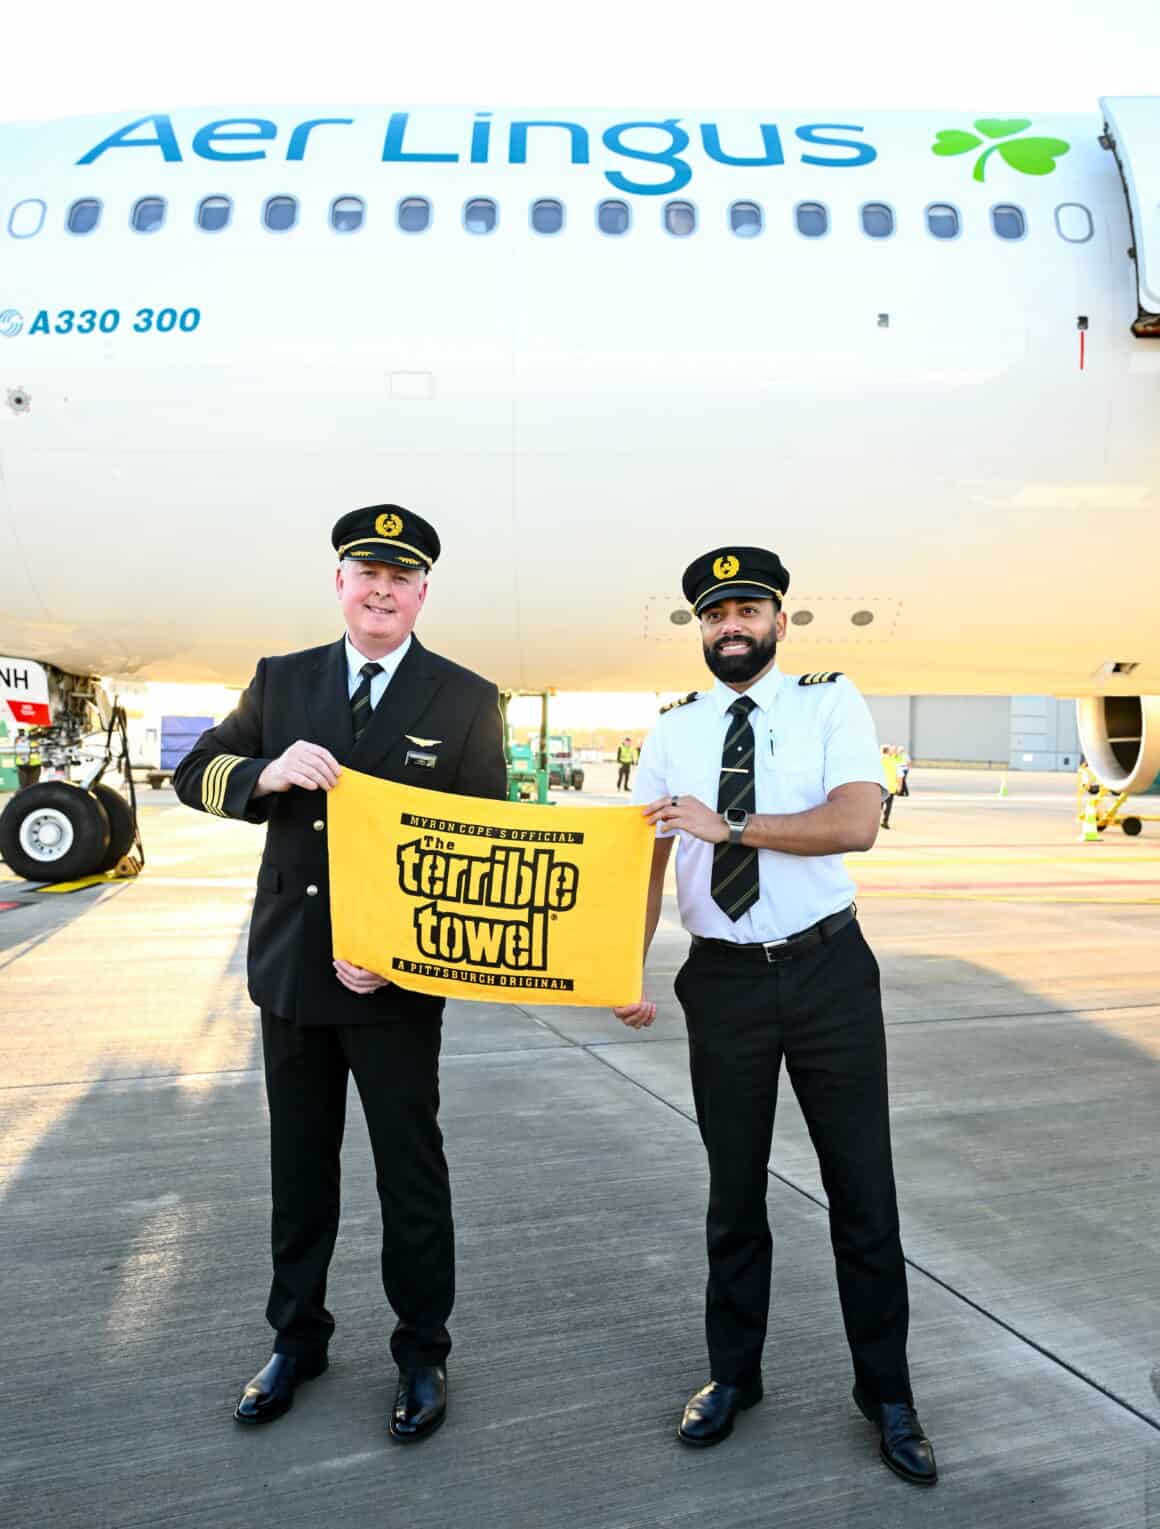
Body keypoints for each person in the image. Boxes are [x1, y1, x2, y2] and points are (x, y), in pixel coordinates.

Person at [174, 504, 506, 1442]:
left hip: (392, 986)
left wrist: (396, 950)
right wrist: (268, 771)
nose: (382, 589)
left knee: (411, 1172)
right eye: (367, 572)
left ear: (422, 594)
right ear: (340, 583)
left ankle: (423, 1351)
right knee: (299, 1170)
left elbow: (479, 853)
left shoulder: (465, 696)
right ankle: (296, 1339)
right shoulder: (282, 680)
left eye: (401, 578)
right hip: (291, 977)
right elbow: (195, 771)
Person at [613, 546, 936, 1487]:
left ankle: (888, 1394)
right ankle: (732, 1376)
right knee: (733, 1194)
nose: (729, 626)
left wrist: (734, 827)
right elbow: (639, 858)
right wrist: (622, 967)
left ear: (779, 621)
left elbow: (854, 821)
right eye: (714, 615)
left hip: (829, 972)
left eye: (746, 610)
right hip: (723, 985)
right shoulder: (672, 726)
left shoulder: (830, 701)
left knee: (864, 1197)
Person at [880, 745, 901, 829]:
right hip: (891, 787)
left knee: (879, 806)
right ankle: (885, 821)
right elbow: (899, 775)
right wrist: (899, 786)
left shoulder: (879, 760)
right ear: (888, 751)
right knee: (888, 806)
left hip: (881, 787)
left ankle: (877, 821)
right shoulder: (893, 761)